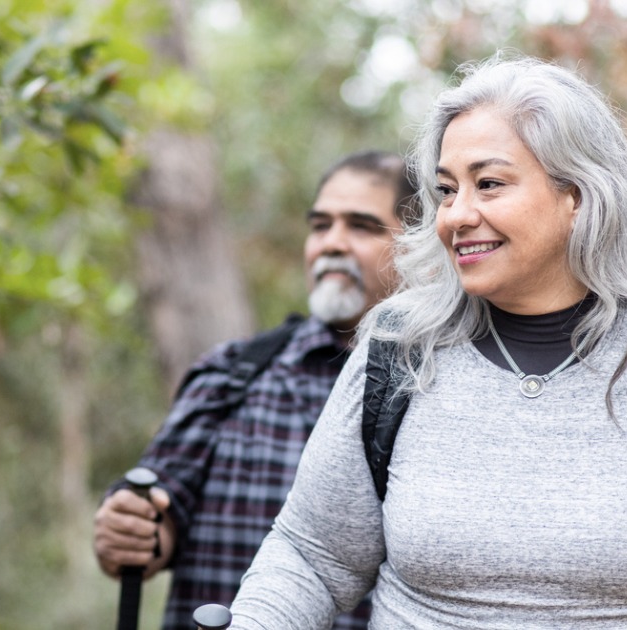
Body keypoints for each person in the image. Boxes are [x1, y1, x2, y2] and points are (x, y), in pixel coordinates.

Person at [227, 54, 627, 628]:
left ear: (576, 195)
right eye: (447, 189)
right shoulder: (400, 348)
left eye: (489, 183)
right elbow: (313, 558)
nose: (456, 215)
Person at [93, 150, 421, 629]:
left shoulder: (440, 392)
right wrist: (130, 529)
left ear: (418, 244)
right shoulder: (233, 375)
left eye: (361, 226)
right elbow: (156, 519)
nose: (331, 243)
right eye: (320, 226)